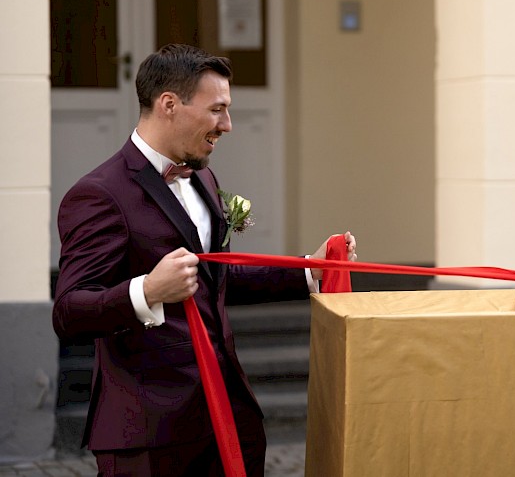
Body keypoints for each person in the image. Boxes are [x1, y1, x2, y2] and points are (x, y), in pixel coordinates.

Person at [52, 44, 356, 476]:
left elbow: (217, 277)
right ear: (169, 105)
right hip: (149, 433)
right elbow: (69, 312)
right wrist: (147, 291)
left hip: (228, 417)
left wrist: (310, 269)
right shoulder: (99, 194)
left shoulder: (204, 178)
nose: (227, 125)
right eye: (217, 110)